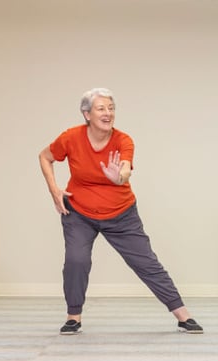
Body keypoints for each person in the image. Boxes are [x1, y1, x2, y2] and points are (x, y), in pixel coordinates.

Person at [39, 88, 202, 335]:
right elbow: (45, 156)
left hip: (121, 213)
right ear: (86, 114)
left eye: (111, 108)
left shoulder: (123, 140)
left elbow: (125, 169)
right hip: (79, 213)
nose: (108, 113)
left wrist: (119, 177)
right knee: (76, 260)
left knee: (145, 262)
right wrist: (54, 190)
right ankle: (74, 317)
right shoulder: (71, 137)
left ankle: (182, 314)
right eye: (101, 108)